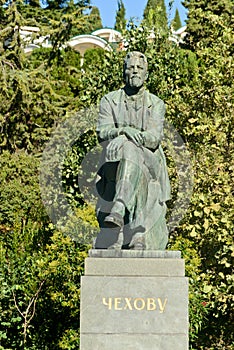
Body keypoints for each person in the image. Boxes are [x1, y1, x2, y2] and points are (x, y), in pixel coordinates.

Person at [94, 51, 170, 250]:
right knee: (130, 153)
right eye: (131, 67)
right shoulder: (109, 100)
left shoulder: (156, 104)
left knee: (131, 150)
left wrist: (129, 138)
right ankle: (137, 235)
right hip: (115, 161)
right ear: (123, 72)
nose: (135, 71)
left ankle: (119, 211)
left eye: (139, 68)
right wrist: (122, 131)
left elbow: (153, 139)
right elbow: (102, 132)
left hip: (149, 159)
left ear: (146, 75)